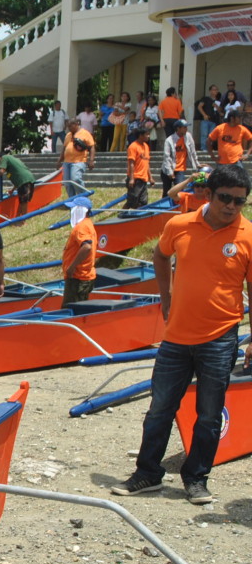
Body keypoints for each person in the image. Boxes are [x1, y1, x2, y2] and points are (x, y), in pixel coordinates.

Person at [112, 164, 252, 505]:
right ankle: (147, 473)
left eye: (240, 201)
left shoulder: (247, 235)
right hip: (176, 338)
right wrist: (166, 297)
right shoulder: (180, 225)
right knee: (160, 407)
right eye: (225, 198)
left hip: (220, 338)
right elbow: (161, 256)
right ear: (208, 193)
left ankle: (196, 477)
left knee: (209, 413)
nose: (232, 207)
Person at [61, 195, 96, 306]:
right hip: (84, 276)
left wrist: (72, 267)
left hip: (78, 278)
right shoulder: (88, 224)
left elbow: (87, 247)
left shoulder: (81, 227)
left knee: (71, 309)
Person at [0, 151, 36, 217]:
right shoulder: (13, 160)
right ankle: (18, 219)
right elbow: (18, 178)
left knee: (24, 202)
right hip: (29, 179)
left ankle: (23, 221)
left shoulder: (4, 157)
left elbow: (1, 171)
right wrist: (12, 190)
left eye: (0, 162)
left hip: (24, 181)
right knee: (22, 201)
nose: (1, 164)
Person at [160, 119, 199, 198]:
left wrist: (197, 164)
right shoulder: (169, 140)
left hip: (180, 169)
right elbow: (166, 157)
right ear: (178, 128)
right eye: (184, 127)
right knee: (167, 192)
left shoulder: (188, 136)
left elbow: (192, 151)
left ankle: (179, 206)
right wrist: (170, 172)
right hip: (168, 169)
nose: (186, 129)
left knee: (180, 190)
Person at [59, 117, 96, 197]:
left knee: (75, 179)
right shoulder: (68, 135)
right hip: (67, 161)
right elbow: (64, 148)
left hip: (79, 161)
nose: (69, 129)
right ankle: (72, 200)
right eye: (68, 127)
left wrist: (91, 160)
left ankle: (83, 197)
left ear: (76, 125)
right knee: (67, 183)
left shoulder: (85, 133)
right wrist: (59, 160)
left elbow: (92, 147)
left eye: (70, 126)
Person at [125, 127, 152, 209]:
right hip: (136, 178)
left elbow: (147, 163)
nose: (148, 136)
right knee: (132, 200)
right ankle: (121, 213)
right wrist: (132, 178)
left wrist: (150, 178)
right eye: (146, 134)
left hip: (143, 178)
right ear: (141, 135)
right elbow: (131, 163)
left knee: (143, 202)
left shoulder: (146, 146)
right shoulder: (133, 146)